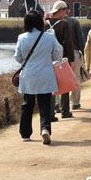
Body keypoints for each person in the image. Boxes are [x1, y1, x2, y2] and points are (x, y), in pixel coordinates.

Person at [14, 10, 62, 145]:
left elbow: (17, 57)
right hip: (46, 74)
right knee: (45, 104)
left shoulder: (21, 37)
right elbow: (56, 56)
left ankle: (25, 133)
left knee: (27, 104)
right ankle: (45, 129)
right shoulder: (49, 37)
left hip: (28, 75)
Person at [46, 1, 84, 118]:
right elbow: (68, 44)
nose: (66, 12)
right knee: (65, 82)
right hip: (62, 57)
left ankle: (52, 111)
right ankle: (65, 110)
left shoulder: (45, 23)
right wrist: (71, 60)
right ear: (61, 10)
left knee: (51, 84)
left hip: (48, 57)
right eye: (65, 10)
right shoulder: (64, 24)